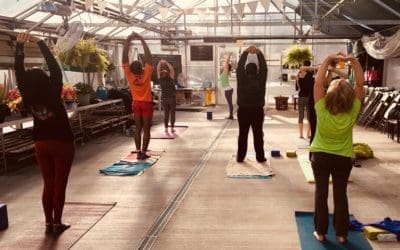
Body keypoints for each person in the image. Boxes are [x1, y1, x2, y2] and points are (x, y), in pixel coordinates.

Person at [15, 32, 75, 236]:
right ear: (45, 79)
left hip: (40, 143)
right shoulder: (53, 89)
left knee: (48, 183)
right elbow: (55, 68)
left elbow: (19, 73)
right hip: (62, 142)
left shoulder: (26, 93)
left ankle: (48, 223)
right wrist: (40, 43)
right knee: (60, 184)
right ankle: (58, 222)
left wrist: (19, 49)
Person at [310, 53, 364, 244]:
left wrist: (327, 61)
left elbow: (317, 85)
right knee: (340, 195)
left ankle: (321, 232)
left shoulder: (322, 106)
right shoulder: (352, 109)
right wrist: (354, 61)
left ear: (330, 93)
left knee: (321, 194)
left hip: (320, 156)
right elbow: (359, 84)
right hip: (343, 159)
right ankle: (342, 234)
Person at [122, 31, 153, 160]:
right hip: (146, 103)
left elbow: (124, 58)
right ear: (141, 67)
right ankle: (143, 153)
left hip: (136, 103)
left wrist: (128, 41)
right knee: (146, 129)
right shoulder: (146, 72)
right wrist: (142, 40)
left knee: (138, 128)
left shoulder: (129, 74)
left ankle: (138, 151)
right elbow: (149, 57)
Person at [236, 46, 268, 163]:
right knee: (258, 134)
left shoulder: (242, 79)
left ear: (246, 70)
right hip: (257, 111)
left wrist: (245, 52)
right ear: (256, 70)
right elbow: (264, 69)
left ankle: (240, 157)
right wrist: (259, 54)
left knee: (242, 134)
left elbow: (239, 68)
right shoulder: (261, 79)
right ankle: (260, 157)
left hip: (243, 111)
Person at [296, 60, 314, 139]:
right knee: (309, 116)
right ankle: (308, 134)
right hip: (309, 97)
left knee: (301, 116)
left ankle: (301, 134)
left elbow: (297, 86)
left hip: (301, 97)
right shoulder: (311, 74)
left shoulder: (300, 74)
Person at [157, 59, 176, 132]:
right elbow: (171, 69)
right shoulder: (171, 78)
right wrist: (166, 62)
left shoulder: (161, 80)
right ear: (168, 74)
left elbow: (158, 70)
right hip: (172, 98)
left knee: (166, 113)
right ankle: (172, 128)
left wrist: (160, 62)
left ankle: (166, 128)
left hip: (165, 99)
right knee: (172, 113)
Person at [220, 53, 234, 119]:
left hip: (228, 90)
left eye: (225, 65)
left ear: (226, 67)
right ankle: (231, 115)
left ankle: (231, 116)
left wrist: (228, 56)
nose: (223, 65)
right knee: (229, 103)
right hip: (228, 90)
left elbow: (226, 63)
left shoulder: (225, 72)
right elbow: (226, 64)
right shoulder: (225, 72)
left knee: (230, 104)